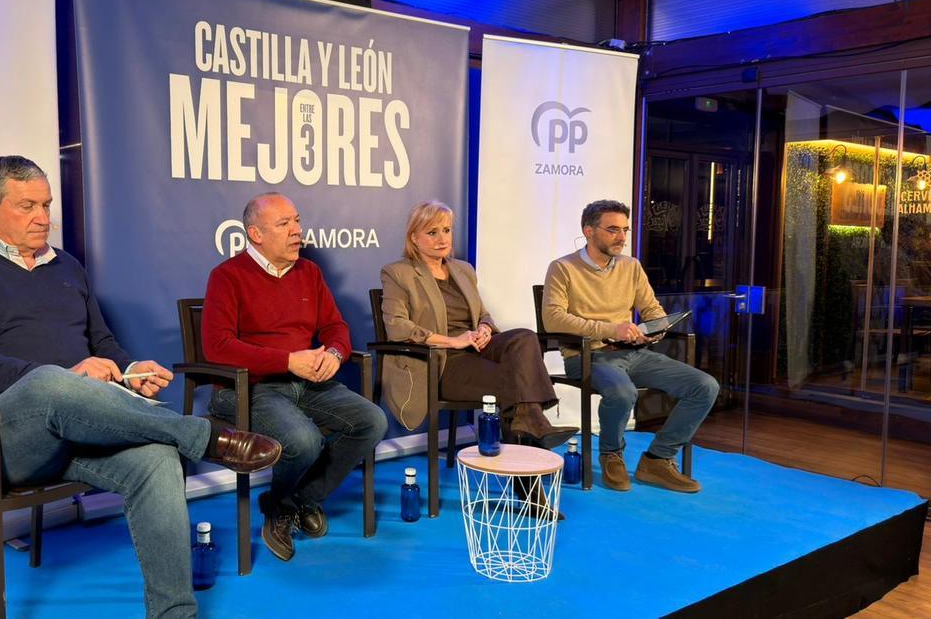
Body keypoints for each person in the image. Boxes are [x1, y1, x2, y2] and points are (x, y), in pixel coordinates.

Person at [0, 156, 281, 619]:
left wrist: (130, 370)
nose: (43, 217)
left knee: (156, 458)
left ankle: (174, 613)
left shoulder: (66, 265)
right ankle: (204, 435)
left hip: (72, 432)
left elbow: (101, 342)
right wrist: (66, 377)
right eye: (27, 205)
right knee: (49, 379)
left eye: (46, 204)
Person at [201, 192, 388, 562]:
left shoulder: (309, 273)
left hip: (309, 381)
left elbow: (336, 326)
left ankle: (292, 500)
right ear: (255, 234)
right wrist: (287, 361)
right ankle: (284, 508)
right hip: (250, 387)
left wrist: (335, 354)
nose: (297, 231)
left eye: (297, 221)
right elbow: (217, 347)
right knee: (303, 440)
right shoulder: (227, 277)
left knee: (372, 421)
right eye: (284, 224)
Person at [542, 199, 719, 493]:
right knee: (622, 393)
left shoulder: (630, 266)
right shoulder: (563, 268)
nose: (622, 237)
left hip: (634, 353)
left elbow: (652, 310)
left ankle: (658, 459)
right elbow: (553, 319)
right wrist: (613, 329)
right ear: (589, 230)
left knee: (705, 386)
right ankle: (611, 454)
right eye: (613, 230)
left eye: (625, 229)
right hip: (587, 356)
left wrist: (654, 332)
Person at [379, 200, 577, 448]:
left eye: (447, 230)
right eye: (432, 232)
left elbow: (484, 314)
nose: (442, 238)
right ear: (414, 238)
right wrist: (453, 340)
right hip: (443, 361)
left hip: (477, 348)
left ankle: (529, 426)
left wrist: (484, 328)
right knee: (516, 382)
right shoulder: (398, 273)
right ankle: (533, 438)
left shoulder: (463, 269)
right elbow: (397, 326)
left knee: (525, 337)